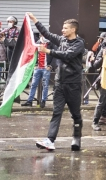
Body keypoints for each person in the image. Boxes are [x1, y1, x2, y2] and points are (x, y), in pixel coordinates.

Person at [28, 12, 85, 152]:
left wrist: (48, 51)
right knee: (56, 112)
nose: (62, 30)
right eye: (63, 28)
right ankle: (50, 140)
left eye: (65, 28)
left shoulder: (79, 43)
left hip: (73, 84)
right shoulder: (62, 40)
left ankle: (76, 138)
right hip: (60, 83)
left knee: (75, 114)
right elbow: (47, 34)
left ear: (73, 29)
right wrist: (35, 20)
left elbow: (68, 55)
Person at [21, 35, 53, 108]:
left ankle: (43, 100)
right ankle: (30, 101)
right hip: (38, 67)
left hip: (46, 68)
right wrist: (34, 65)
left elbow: (53, 55)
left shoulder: (50, 44)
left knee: (45, 85)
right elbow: (33, 54)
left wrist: (50, 65)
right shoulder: (37, 43)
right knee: (33, 85)